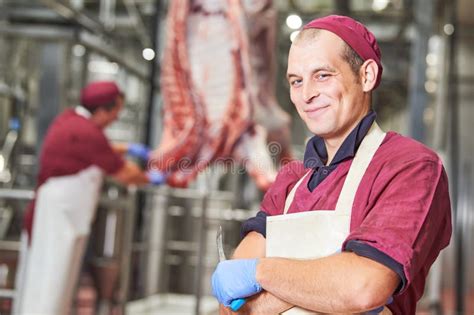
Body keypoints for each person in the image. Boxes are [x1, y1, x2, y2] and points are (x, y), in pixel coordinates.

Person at [211, 15, 452, 315]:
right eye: (296, 81)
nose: (307, 94)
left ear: (366, 76)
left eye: (323, 75)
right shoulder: (290, 180)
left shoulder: (411, 167)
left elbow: (363, 287)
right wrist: (326, 282)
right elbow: (233, 306)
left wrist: (259, 274)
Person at [15, 81, 166, 315]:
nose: (116, 118)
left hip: (62, 220)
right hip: (57, 222)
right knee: (49, 286)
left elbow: (99, 149)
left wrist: (127, 149)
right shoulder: (87, 133)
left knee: (54, 286)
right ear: (103, 110)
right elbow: (126, 174)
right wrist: (154, 178)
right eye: (116, 112)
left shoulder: (72, 120)